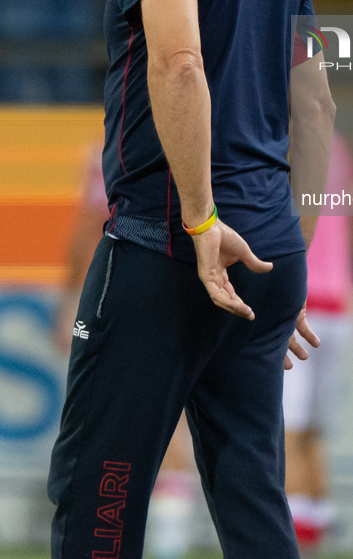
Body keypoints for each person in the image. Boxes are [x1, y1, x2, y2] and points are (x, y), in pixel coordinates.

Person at [47, 0, 335, 559]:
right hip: (265, 255)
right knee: (251, 501)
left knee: (96, 494)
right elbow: (313, 104)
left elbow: (178, 65)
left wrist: (205, 223)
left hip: (171, 246)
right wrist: (290, 251)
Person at [51, 143, 203, 559]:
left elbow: (87, 227)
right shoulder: (216, 132)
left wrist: (68, 305)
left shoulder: (115, 145)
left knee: (120, 429)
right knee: (185, 429)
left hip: (130, 286)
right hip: (200, 287)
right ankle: (169, 541)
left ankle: (152, 544)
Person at [283, 128, 353, 549]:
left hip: (297, 302)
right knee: (313, 435)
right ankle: (313, 542)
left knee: (286, 434)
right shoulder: (338, 147)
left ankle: (289, 545)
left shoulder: (275, 138)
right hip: (338, 308)